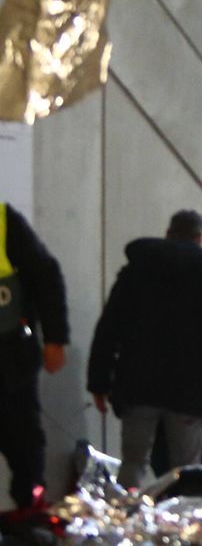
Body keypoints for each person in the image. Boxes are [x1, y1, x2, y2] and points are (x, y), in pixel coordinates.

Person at [88, 210, 202, 488]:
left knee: (133, 464)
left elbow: (109, 328)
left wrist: (99, 382)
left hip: (137, 383)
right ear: (200, 238)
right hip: (190, 390)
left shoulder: (134, 272)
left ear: (168, 234)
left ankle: (128, 521)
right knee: (186, 472)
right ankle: (180, 526)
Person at [0, 204, 68, 509]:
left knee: (24, 443)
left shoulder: (4, 222)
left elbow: (45, 276)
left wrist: (55, 339)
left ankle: (29, 514)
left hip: (8, 357)